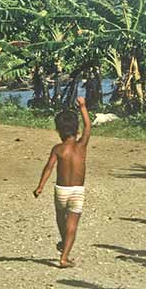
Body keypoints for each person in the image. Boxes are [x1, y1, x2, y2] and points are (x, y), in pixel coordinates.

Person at [34, 96, 91, 268]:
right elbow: (89, 126)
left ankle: (63, 241)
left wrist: (40, 186)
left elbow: (49, 168)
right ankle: (64, 257)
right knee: (72, 225)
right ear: (76, 129)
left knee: (61, 218)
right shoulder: (82, 146)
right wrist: (83, 106)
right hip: (77, 192)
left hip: (61, 190)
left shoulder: (58, 149)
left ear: (58, 130)